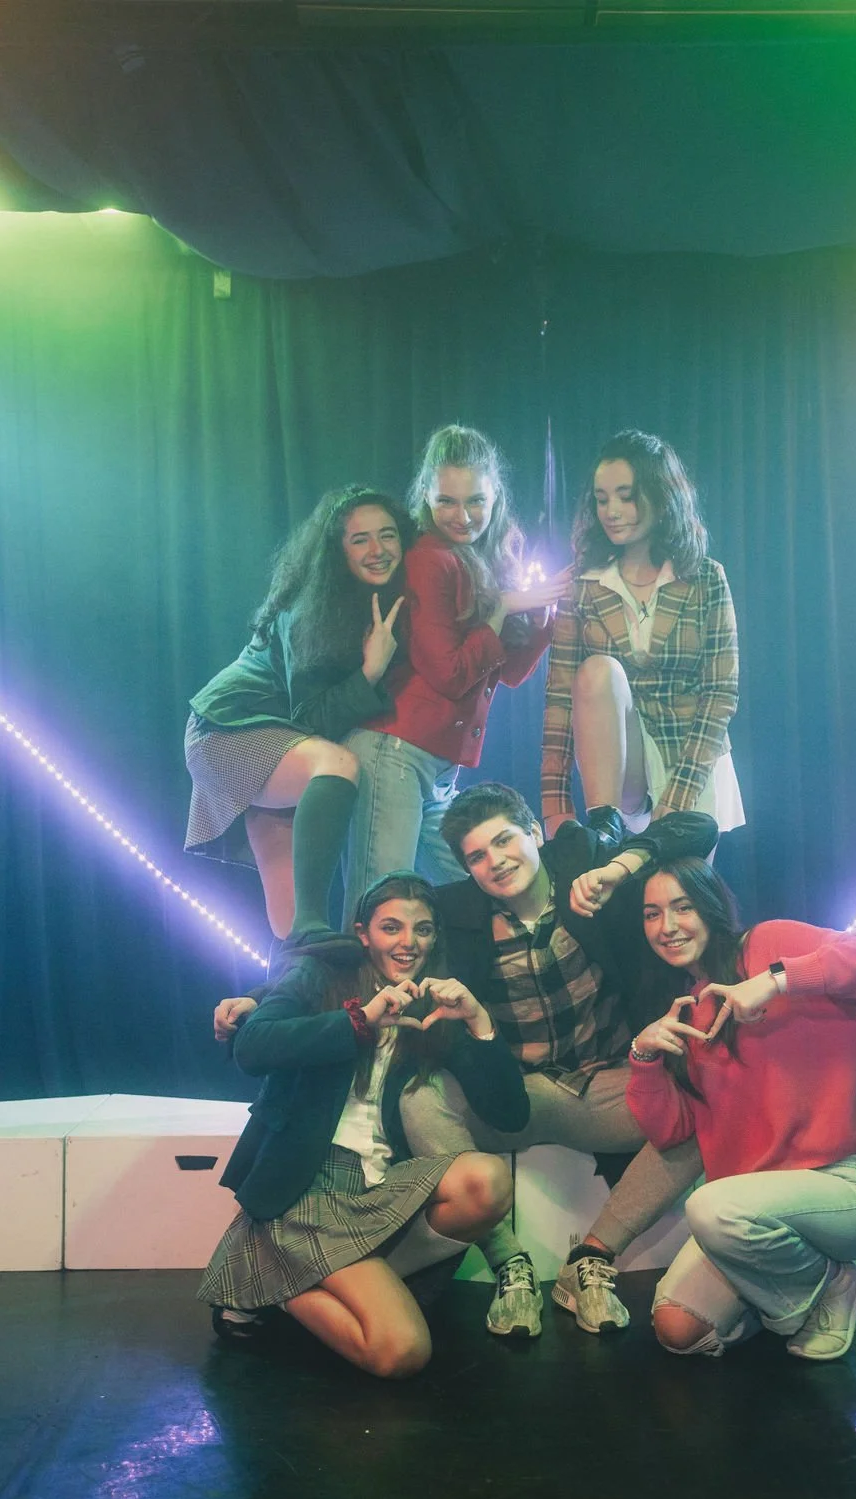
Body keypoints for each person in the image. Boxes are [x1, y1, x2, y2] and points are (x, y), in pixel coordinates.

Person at [398, 781, 719, 1341]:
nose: (496, 862)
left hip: (601, 1084)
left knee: (699, 1111)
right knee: (419, 1097)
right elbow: (376, 940)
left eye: (504, 841)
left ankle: (592, 1258)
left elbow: (699, 827)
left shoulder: (584, 863)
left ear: (534, 832)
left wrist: (617, 869)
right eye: (477, 856)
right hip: (511, 1096)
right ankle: (509, 1263)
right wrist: (268, 998)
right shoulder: (455, 912)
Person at [199, 872, 528, 1379]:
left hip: (379, 1182)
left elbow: (510, 1113)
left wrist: (480, 1022)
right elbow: (254, 1047)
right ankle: (275, 1282)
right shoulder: (320, 975)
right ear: (364, 933)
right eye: (391, 927)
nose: (408, 942)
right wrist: (359, 1020)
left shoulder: (435, 1001)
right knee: (402, 1352)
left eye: (422, 929)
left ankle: (283, 1274)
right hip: (307, 1185)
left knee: (488, 1181)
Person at [625, 857, 856, 1361]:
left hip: (843, 1183)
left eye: (682, 907)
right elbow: (672, 1132)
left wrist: (778, 979)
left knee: (710, 1208)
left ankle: (835, 1284)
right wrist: (644, 1059)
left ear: (710, 907)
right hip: (753, 1210)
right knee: (676, 1328)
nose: (667, 927)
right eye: (651, 914)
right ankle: (789, 1294)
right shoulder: (685, 1010)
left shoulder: (769, 943)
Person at [339, 425, 571, 927]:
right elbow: (449, 675)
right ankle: (350, 985)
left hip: (438, 769)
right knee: (380, 908)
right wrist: (503, 608)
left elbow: (509, 673)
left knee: (477, 902)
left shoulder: (485, 558)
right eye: (447, 501)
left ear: (495, 496)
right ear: (424, 495)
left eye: (475, 501)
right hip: (395, 754)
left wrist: (543, 617)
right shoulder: (429, 560)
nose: (462, 517)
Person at [185, 486, 413, 942]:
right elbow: (311, 719)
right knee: (338, 764)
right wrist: (370, 672)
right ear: (336, 550)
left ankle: (298, 969)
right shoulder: (311, 610)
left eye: (387, 535)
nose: (377, 549)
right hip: (229, 730)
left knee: (288, 927)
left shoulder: (372, 603)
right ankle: (315, 927)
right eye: (360, 539)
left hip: (275, 741)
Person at [541, 428, 744, 845]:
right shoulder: (582, 583)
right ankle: (605, 828)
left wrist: (679, 796)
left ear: (661, 495)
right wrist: (555, 805)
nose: (612, 511)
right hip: (619, 769)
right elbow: (560, 697)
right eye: (602, 499)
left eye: (626, 496)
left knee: (678, 885)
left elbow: (720, 694)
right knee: (598, 671)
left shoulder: (706, 577)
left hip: (689, 760)